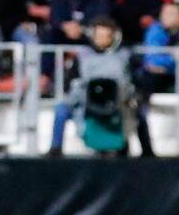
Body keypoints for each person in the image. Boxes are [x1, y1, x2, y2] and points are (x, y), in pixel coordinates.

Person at [47, 16, 139, 156]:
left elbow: (132, 82)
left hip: (116, 102)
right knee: (61, 109)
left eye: (105, 36)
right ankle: (55, 149)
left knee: (141, 113)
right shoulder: (83, 55)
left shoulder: (123, 56)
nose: (101, 40)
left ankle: (142, 151)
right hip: (85, 101)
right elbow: (72, 82)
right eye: (98, 36)